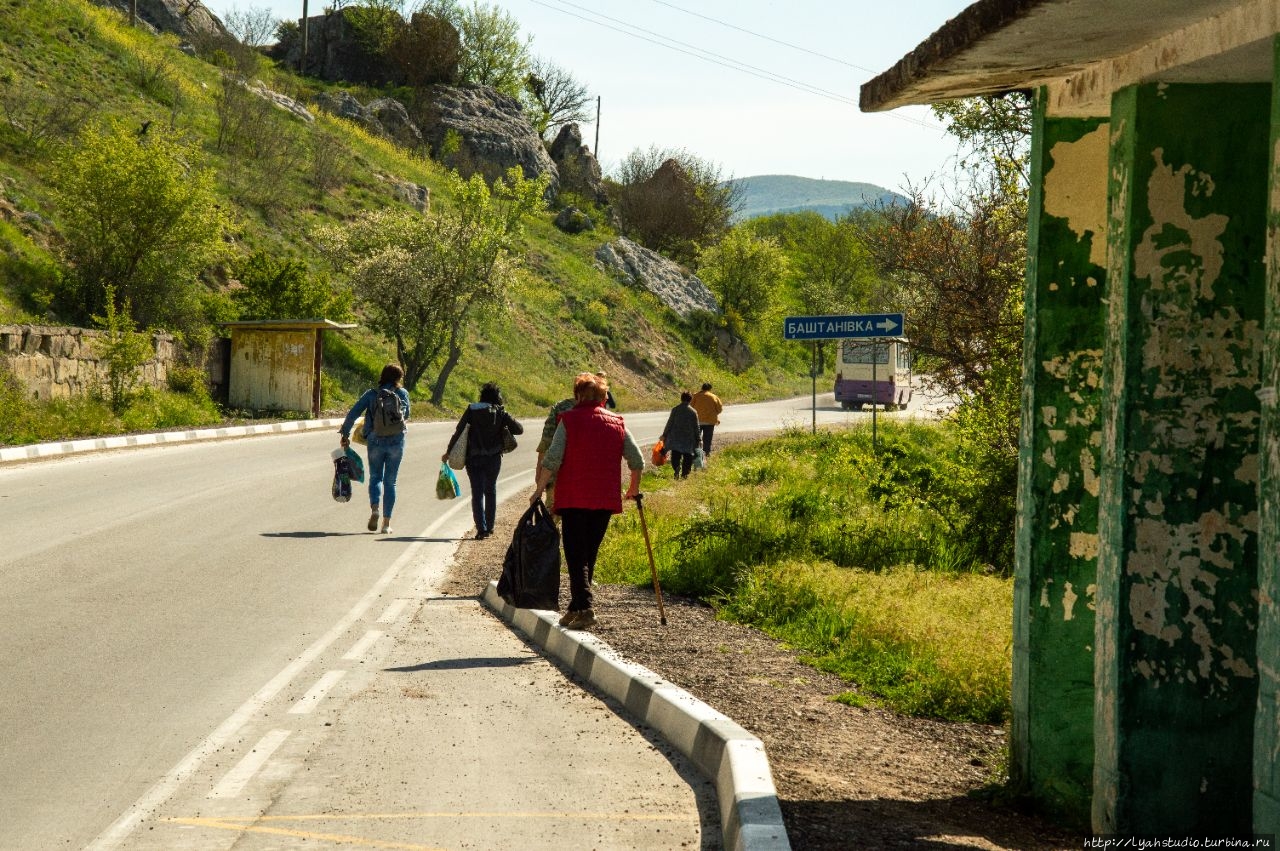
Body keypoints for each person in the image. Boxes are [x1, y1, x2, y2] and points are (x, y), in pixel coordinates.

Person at [530, 372, 643, 630]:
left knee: (575, 555)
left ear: (578, 395)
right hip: (604, 499)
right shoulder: (618, 422)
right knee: (588, 554)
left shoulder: (568, 420)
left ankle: (587, 607)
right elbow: (637, 460)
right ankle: (575, 608)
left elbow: (553, 458)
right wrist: (633, 488)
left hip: (573, 497)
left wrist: (539, 489)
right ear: (604, 397)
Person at [443, 382, 523, 540]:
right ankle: (490, 526)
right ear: (496, 397)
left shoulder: (472, 409)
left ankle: (481, 529)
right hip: (493, 458)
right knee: (490, 490)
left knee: (477, 493)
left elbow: (459, 431)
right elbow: (519, 430)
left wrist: (448, 452)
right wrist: (504, 419)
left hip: (473, 458)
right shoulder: (500, 412)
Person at [340, 363, 410, 535]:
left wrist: (345, 433)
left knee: (376, 477)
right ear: (398, 378)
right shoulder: (402, 393)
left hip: (375, 441)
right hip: (396, 442)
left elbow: (353, 413)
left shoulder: (372, 394)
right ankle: (386, 524)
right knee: (391, 481)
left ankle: (375, 510)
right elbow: (406, 415)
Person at [660, 391, 701, 479]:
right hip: (688, 439)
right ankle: (684, 475)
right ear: (690, 400)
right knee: (688, 457)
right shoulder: (693, 412)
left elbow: (669, 423)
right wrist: (699, 439)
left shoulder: (675, 409)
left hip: (676, 437)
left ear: (681, 399)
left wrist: (664, 434)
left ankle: (676, 468)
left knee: (675, 455)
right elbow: (696, 426)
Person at [690, 382, 723, 458]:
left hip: (697, 421)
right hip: (710, 421)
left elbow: (690, 406)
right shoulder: (714, 397)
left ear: (702, 388)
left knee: (696, 438)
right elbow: (720, 409)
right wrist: (714, 413)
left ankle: (695, 453)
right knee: (707, 438)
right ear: (710, 389)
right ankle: (707, 453)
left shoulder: (695, 396)